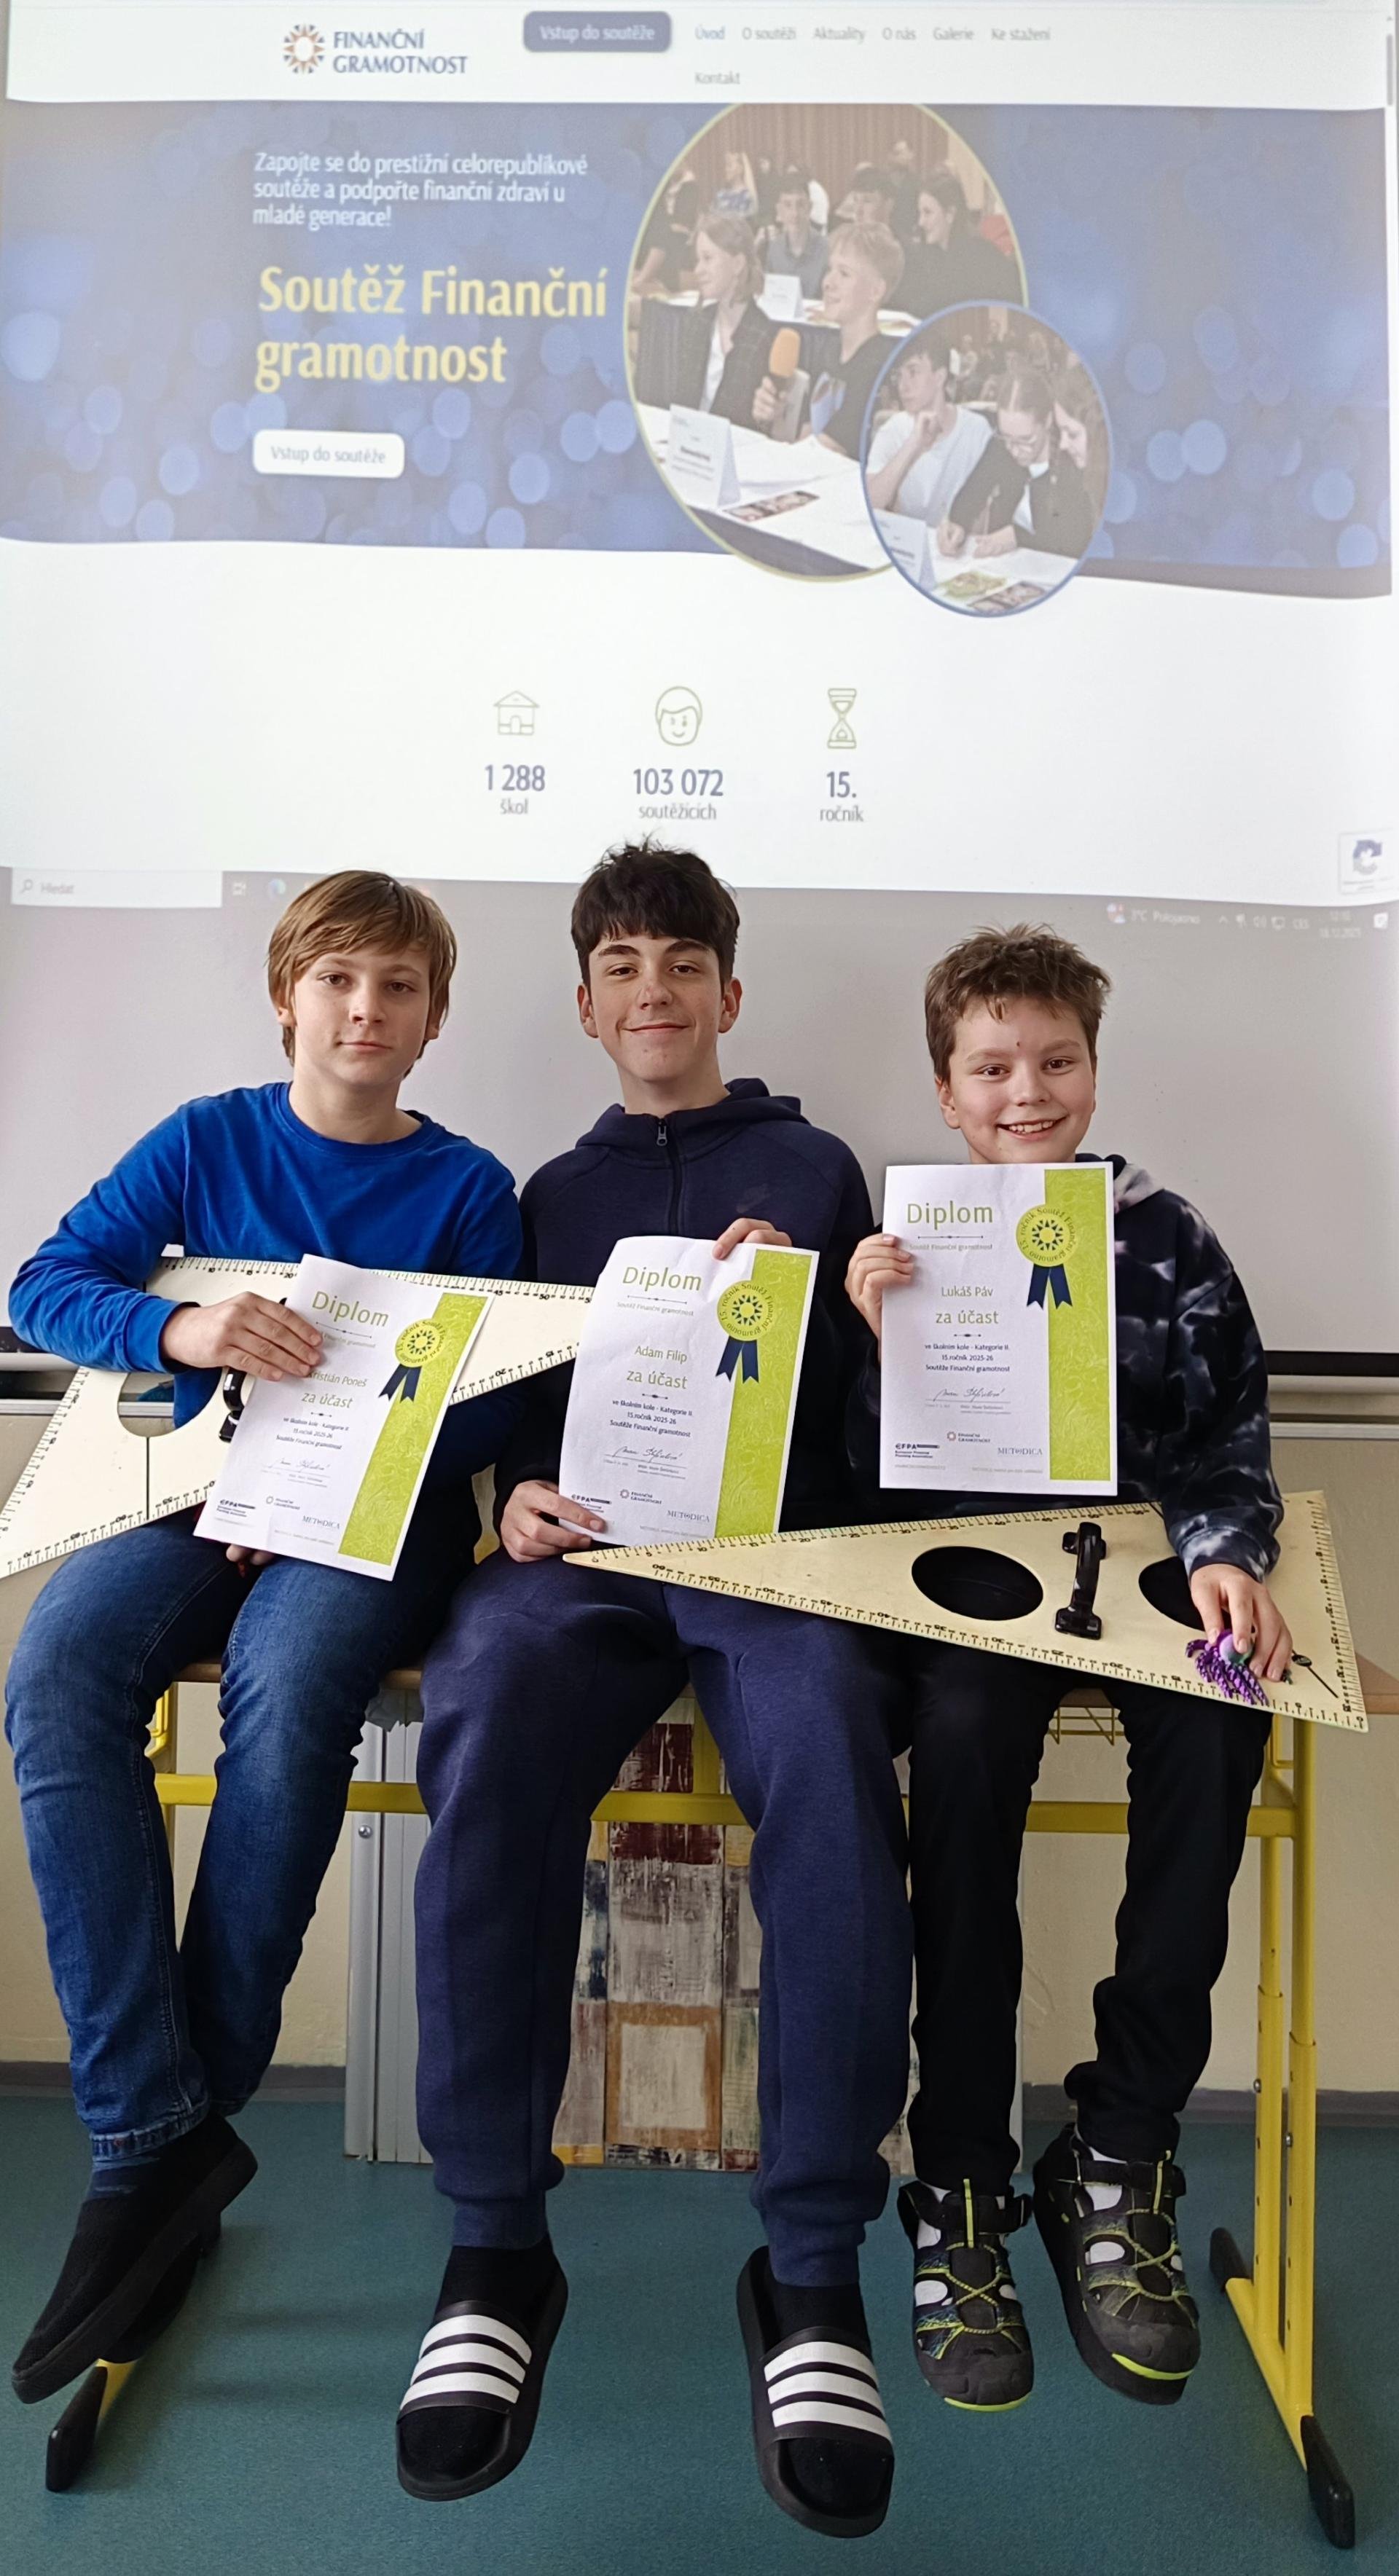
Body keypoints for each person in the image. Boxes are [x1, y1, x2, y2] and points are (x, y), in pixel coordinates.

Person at [399, 844, 912, 2541]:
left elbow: (866, 1431)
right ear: (584, 1005)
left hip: (772, 1562)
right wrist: (508, 1506)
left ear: (728, 992)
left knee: (830, 1742)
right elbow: (510, 1416)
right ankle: (494, 2245)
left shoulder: (818, 1166)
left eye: (682, 963)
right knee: (481, 1701)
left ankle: (812, 2266)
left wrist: (809, 1319)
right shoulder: (548, 1191)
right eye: (621, 966)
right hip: (593, 1567)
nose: (654, 991)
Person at [4, 872, 521, 2411]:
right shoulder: (204, 1139)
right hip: (189, 1500)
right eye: (339, 979)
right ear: (287, 994)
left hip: (371, 1527)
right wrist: (182, 1329)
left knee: (290, 1688)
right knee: (55, 1673)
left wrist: (323, 1475)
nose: (366, 1011)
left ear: (434, 1018)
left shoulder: (470, 1188)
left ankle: (175, 2128)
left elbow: (485, 1405)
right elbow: (46, 1283)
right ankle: (150, 2132)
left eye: (400, 987)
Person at [844, 924, 1286, 2416]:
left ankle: (1120, 2144)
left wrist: (1227, 1550)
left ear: (1093, 1071)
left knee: (1225, 1712)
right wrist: (869, 1334)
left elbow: (1228, 1431)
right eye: (991, 1068)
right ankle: (964, 2173)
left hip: (1143, 1570)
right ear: (947, 1091)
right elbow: (854, 1482)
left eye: (1055, 1061)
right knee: (964, 1739)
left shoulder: (1165, 1235)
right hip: (976, 1578)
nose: (1026, 1091)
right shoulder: (910, 1242)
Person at [758, 221, 904, 458]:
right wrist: (775, 417)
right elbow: (805, 438)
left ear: (875, 291)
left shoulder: (877, 365)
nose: (827, 282)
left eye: (844, 274)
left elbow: (828, 450)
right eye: (830, 269)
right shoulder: (829, 351)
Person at [938, 367, 1098, 560]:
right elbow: (972, 493)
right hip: (1008, 565)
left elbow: (1075, 541)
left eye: (1026, 440)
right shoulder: (1001, 446)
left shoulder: (1072, 457)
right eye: (1006, 437)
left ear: (1048, 421)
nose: (1014, 450)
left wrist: (1018, 537)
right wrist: (956, 524)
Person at [863, 331, 993, 525]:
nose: (903, 386)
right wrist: (913, 444)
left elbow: (985, 511)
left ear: (939, 377)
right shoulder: (891, 430)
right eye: (899, 376)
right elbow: (870, 502)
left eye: (913, 372)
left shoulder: (976, 429)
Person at [673, 215, 776, 428]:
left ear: (737, 264)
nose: (698, 270)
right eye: (698, 260)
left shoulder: (764, 337)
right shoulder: (696, 322)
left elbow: (758, 423)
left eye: (708, 259)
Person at [899, 170, 1018, 319]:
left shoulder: (981, 258)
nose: (921, 222)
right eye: (920, 213)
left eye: (928, 213)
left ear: (950, 214)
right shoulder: (928, 257)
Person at [758, 168, 828, 302]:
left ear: (810, 208)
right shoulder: (774, 249)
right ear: (779, 210)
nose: (794, 213)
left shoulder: (827, 250)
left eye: (800, 205)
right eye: (788, 205)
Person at [633, 172, 700, 299]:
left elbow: (658, 251)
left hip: (661, 280)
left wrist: (638, 281)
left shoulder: (655, 212)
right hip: (646, 274)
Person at [713, 146, 758, 220]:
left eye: (729, 166)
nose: (726, 170)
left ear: (740, 169)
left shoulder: (747, 196)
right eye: (725, 166)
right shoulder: (721, 194)